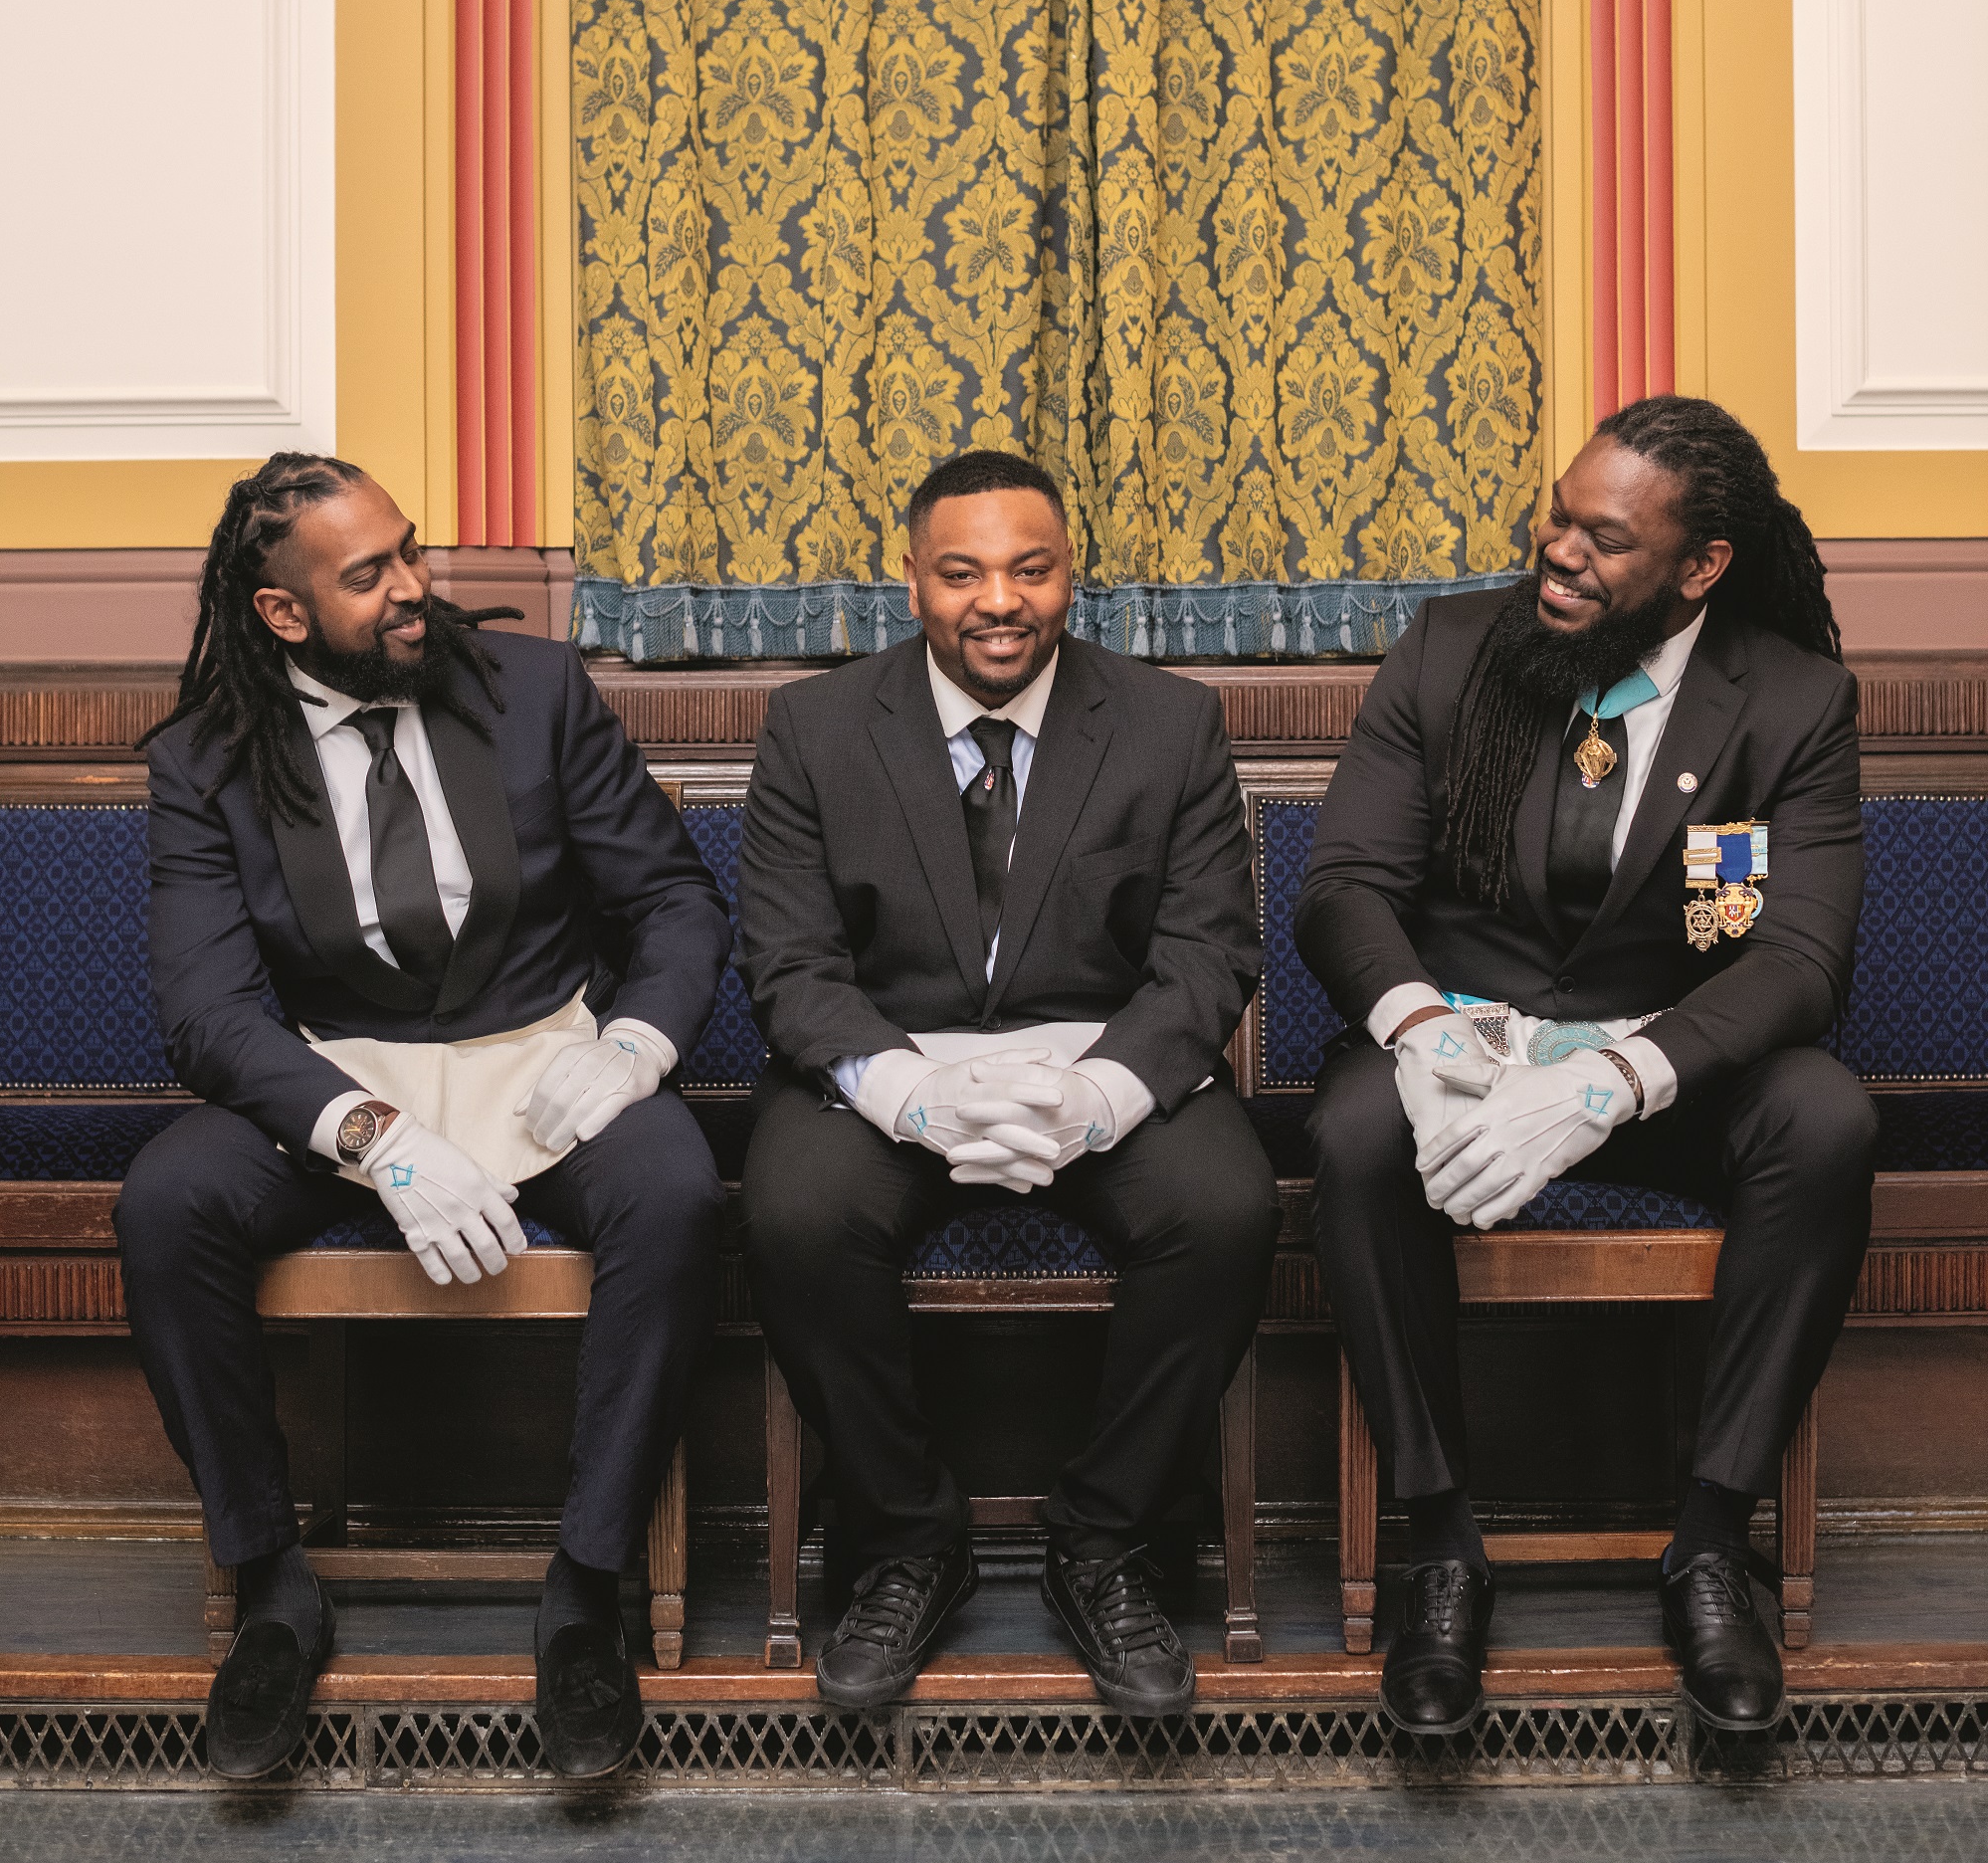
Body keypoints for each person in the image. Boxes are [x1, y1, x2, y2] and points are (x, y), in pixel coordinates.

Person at [118, 454, 730, 1780]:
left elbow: (676, 906)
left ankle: (587, 1586)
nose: (414, 587)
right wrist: (373, 1138)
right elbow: (210, 1015)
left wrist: (631, 1044)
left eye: (411, 550)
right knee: (167, 1205)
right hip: (337, 1087)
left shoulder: (537, 692)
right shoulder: (205, 759)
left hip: (542, 1059)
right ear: (283, 614)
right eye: (370, 573)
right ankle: (272, 1580)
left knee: (675, 1188)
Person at [1298, 396, 1874, 1737]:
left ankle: (1712, 1542)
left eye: (1604, 539)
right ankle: (1438, 1541)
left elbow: (1795, 962)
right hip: (1461, 1052)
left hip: (1660, 1066)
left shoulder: (1789, 701)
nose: (1557, 549)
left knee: (1826, 1120)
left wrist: (1614, 1080)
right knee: (1353, 1133)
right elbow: (1343, 891)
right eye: (1558, 512)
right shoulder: (1451, 650)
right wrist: (1418, 1030)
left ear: (1701, 566)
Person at [737, 452, 1280, 1717]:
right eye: (962, 570)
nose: (999, 599)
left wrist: (1100, 1094)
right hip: (892, 1066)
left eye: (1030, 569)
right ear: (911, 577)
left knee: (1225, 1210)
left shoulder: (1167, 721)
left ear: (1067, 576)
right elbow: (790, 962)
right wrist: (903, 1094)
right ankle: (906, 1542)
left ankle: (1102, 1540)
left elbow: (1208, 953)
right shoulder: (815, 730)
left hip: (1096, 1065)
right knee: (795, 1213)